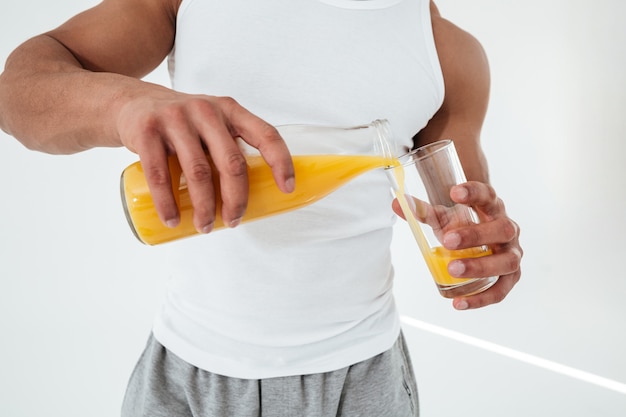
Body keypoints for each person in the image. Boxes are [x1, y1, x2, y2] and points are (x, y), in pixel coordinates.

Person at [0, 0, 522, 415]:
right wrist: (124, 104)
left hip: (364, 378)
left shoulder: (448, 51)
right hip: (192, 370)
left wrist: (490, 244)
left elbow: (464, 216)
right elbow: (16, 94)